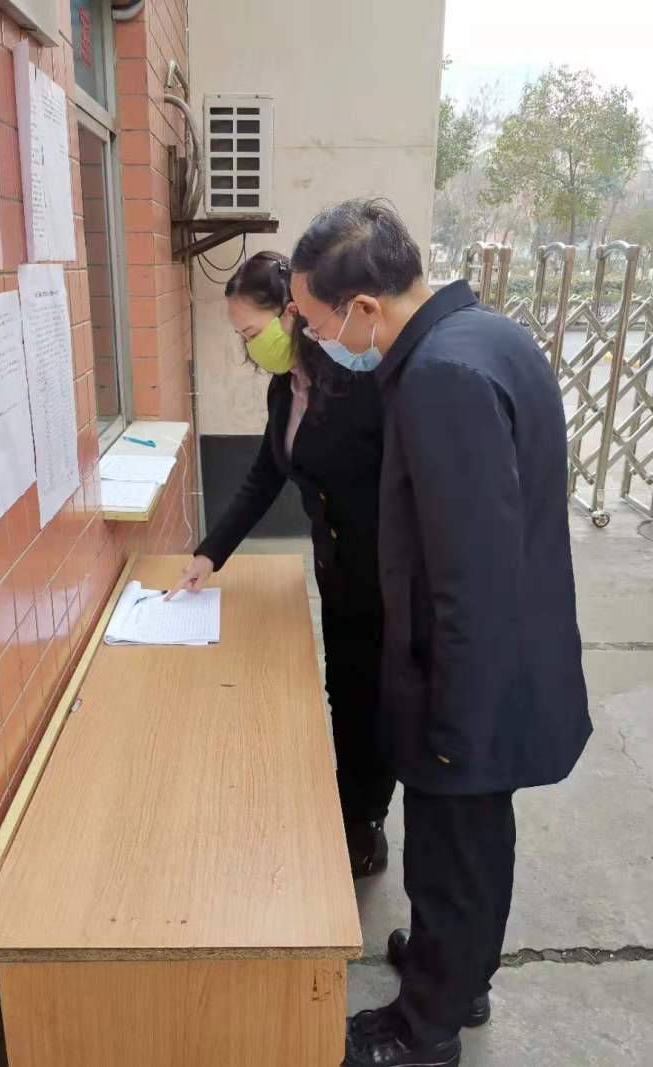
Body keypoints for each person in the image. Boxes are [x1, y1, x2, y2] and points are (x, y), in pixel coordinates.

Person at [290, 200, 592, 1067]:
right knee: (477, 841)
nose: (316, 340)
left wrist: (454, 720)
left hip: (469, 669)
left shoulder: (439, 377)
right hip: (504, 657)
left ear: (364, 308)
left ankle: (424, 1029)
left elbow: (469, 573)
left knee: (450, 851)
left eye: (317, 323)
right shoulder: (488, 335)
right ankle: (456, 973)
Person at [166, 250, 396, 878]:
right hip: (337, 568)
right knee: (343, 689)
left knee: (373, 699)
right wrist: (210, 553)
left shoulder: (358, 383)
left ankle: (366, 823)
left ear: (291, 314)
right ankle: (348, 801)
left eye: (251, 330)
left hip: (383, 573)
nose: (249, 346)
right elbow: (265, 475)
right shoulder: (285, 386)